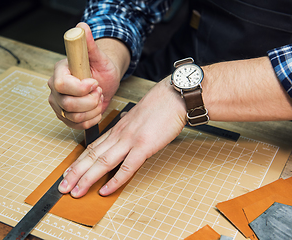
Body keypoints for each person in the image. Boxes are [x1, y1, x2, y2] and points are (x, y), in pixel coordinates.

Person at [48, 0, 292, 198]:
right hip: (182, 62)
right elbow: (126, 4)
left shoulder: (176, 93)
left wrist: (182, 96)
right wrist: (108, 56)